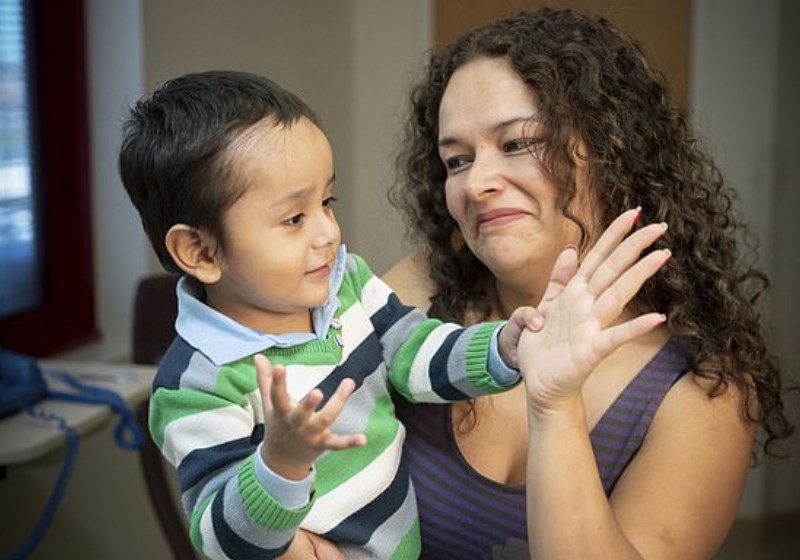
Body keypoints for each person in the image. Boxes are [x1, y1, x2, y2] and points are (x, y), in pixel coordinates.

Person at [119, 70, 667, 560]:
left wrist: (506, 347)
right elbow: (222, 540)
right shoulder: (196, 385)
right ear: (201, 252)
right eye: (293, 219)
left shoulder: (346, 285)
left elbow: (415, 352)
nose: (328, 233)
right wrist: (280, 462)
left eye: (326, 204)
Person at [380, 7, 795, 560]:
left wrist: (553, 408)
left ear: (610, 148)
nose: (477, 182)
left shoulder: (701, 389)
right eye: (457, 160)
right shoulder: (421, 285)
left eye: (518, 143)